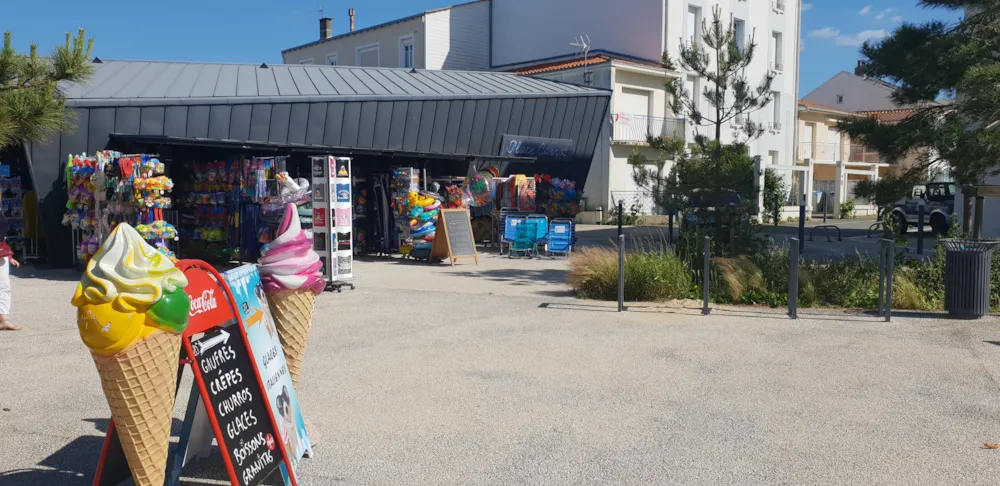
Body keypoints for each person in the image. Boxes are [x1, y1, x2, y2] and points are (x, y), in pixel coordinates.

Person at [0, 192, 20, 331]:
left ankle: (3, 320)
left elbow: (2, 238)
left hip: (2, 255)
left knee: (4, 287)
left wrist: (9, 256)